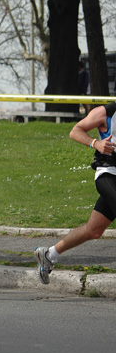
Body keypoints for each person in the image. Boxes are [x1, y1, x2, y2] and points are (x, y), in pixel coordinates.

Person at [34, 102, 116, 285]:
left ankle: (49, 254)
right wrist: (96, 143)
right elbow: (75, 131)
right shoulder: (105, 113)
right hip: (109, 173)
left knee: (93, 230)